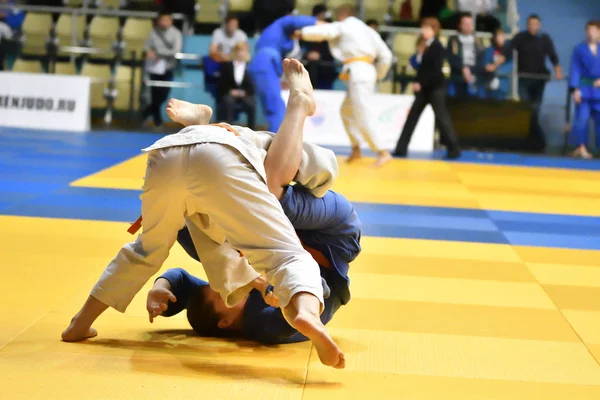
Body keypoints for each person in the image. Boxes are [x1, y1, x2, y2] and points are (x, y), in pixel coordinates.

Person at [61, 59, 345, 369]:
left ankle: (79, 322)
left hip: (167, 154)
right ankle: (305, 310)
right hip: (219, 158)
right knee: (284, 252)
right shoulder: (264, 159)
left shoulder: (219, 250)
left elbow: (209, 269)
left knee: (147, 250)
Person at [146, 98, 360, 344]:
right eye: (222, 294)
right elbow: (315, 292)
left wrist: (160, 290)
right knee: (267, 194)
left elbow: (182, 281)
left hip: (294, 228)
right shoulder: (262, 323)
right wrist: (277, 291)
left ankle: (200, 135)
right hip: (331, 236)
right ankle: (297, 108)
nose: (221, 286)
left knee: (191, 227)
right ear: (225, 321)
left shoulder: (229, 288)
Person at [298, 4, 394, 167]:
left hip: (360, 72)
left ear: (343, 14)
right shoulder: (369, 31)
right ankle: (356, 148)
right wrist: (377, 74)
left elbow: (325, 31)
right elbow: (386, 55)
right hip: (365, 71)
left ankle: (382, 151)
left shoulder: (347, 25)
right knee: (347, 111)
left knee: (362, 112)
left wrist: (301, 33)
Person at [394, 17, 461, 159]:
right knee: (412, 117)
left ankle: (454, 148)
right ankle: (401, 148)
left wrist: (420, 82)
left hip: (435, 88)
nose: (423, 31)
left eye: (427, 28)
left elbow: (435, 70)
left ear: (434, 30)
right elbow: (420, 67)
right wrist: (419, 54)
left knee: (442, 118)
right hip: (425, 89)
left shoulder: (438, 47)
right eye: (423, 28)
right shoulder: (423, 46)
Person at [247, 14, 319, 132]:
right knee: (276, 108)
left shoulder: (281, 38)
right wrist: (324, 24)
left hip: (267, 66)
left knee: (275, 107)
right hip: (265, 63)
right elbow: (294, 20)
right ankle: (279, 142)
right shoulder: (281, 24)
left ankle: (278, 140)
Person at [510, 14, 562, 152]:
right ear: (527, 25)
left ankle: (534, 142)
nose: (532, 26)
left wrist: (558, 70)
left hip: (539, 81)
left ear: (539, 26)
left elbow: (553, 55)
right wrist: (496, 63)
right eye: (530, 24)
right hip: (524, 80)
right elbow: (507, 50)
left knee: (535, 111)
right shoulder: (520, 37)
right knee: (526, 110)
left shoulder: (545, 39)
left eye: (535, 24)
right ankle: (538, 141)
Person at [142, 11, 183, 128]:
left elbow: (176, 50)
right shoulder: (153, 32)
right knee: (155, 94)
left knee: (163, 95)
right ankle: (157, 121)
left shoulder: (176, 33)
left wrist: (159, 53)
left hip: (168, 67)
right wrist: (149, 52)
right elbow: (146, 47)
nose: (164, 23)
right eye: (162, 20)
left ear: (171, 21)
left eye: (167, 20)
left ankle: (146, 113)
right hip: (155, 67)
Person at [568, 20, 600, 159]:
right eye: (588, 30)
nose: (590, 33)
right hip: (584, 89)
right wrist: (575, 89)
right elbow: (575, 69)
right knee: (581, 119)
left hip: (599, 90)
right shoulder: (579, 49)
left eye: (594, 30)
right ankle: (581, 147)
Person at [217, 43, 256, 129]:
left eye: (243, 51)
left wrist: (244, 92)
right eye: (238, 51)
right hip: (229, 93)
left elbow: (252, 85)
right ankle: (228, 129)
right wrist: (230, 91)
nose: (241, 53)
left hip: (245, 94)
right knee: (228, 103)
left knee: (251, 104)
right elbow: (222, 83)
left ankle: (252, 130)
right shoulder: (227, 66)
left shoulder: (250, 67)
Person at [446, 13, 485, 98]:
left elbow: (481, 59)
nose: (468, 26)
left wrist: (471, 71)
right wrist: (463, 69)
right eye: (465, 23)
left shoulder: (478, 41)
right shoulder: (453, 40)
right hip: (458, 78)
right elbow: (451, 58)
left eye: (470, 23)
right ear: (460, 25)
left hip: (474, 78)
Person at [301, 4, 337, 91]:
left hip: (326, 69)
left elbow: (334, 50)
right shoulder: (307, 29)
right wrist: (308, 54)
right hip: (310, 69)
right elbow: (301, 47)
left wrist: (320, 55)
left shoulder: (331, 28)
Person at [481, 28, 511, 99]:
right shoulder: (489, 50)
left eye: (502, 36)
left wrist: (495, 68)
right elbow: (486, 65)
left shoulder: (508, 51)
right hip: (489, 84)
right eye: (498, 36)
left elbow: (510, 66)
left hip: (503, 85)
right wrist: (491, 66)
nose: (500, 39)